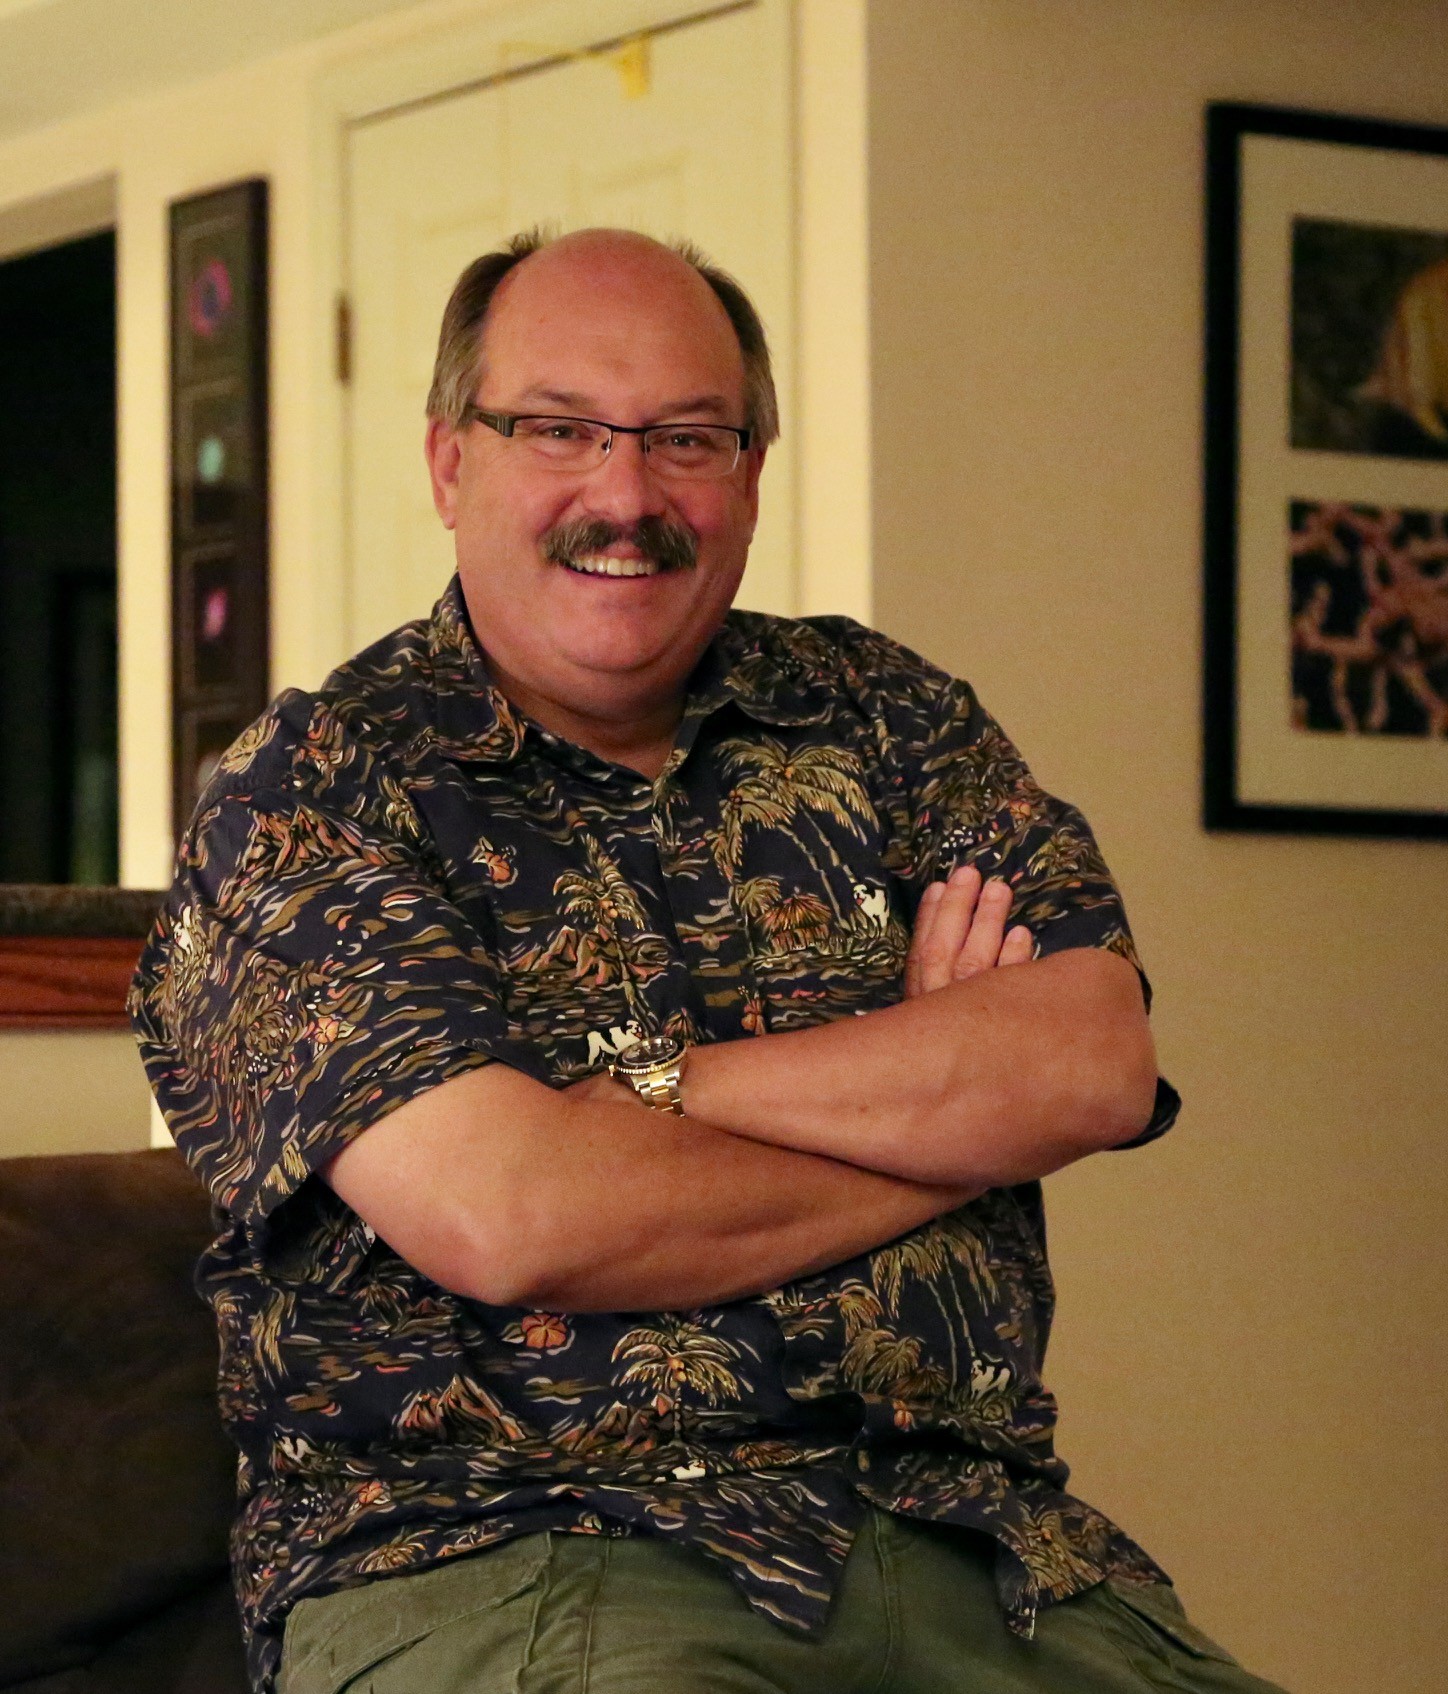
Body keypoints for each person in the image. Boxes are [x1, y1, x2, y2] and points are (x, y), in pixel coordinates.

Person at [131, 228, 1286, 1694]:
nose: (626, 495)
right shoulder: (310, 790)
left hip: (976, 1545)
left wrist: (657, 1089)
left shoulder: (889, 718)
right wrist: (953, 1123)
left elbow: (1092, 1064)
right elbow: (511, 1214)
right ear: (449, 462)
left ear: (749, 473)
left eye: (686, 438)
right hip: (514, 1555)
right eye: (559, 429)